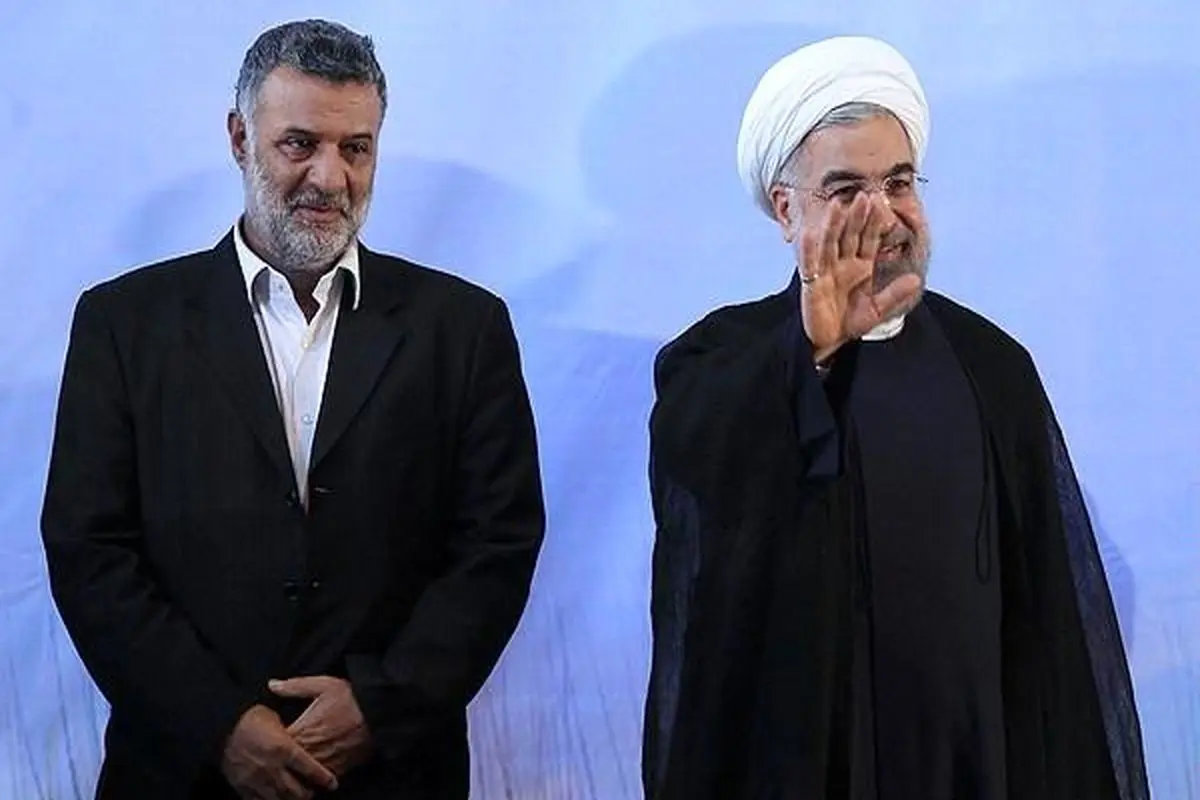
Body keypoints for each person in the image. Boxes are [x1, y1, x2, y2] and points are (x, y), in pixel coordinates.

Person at [40, 19, 545, 800]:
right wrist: (219, 724)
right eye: (299, 144)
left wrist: (379, 704)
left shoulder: (465, 328)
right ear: (240, 138)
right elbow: (90, 551)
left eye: (356, 148)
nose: (330, 177)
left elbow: (497, 546)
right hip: (179, 772)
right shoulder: (124, 324)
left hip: (392, 773)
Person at [642, 35, 1149, 800]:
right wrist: (811, 348)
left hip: (970, 763)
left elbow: (1048, 617)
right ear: (786, 210)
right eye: (847, 189)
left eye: (899, 182)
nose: (882, 214)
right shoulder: (721, 359)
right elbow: (698, 463)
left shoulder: (992, 365)